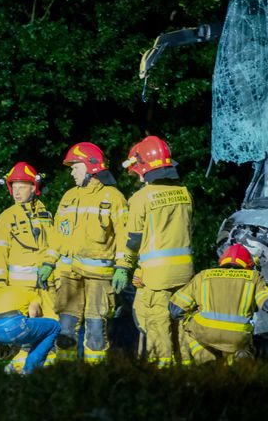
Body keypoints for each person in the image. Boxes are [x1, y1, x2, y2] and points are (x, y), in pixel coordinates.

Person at [38, 142, 131, 363]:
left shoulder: (114, 197)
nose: (71, 172)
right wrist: (48, 263)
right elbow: (58, 236)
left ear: (91, 167)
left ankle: (94, 379)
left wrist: (123, 267)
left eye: (75, 167)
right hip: (69, 274)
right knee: (66, 329)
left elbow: (124, 235)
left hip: (99, 276)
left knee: (96, 329)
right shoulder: (69, 197)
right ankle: (66, 374)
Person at [121, 135, 194, 367]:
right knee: (181, 321)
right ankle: (187, 371)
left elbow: (134, 240)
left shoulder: (140, 198)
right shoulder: (184, 193)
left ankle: (162, 373)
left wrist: (126, 266)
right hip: (185, 273)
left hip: (156, 276)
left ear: (142, 167)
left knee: (158, 324)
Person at [169, 243, 268, 363]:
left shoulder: (204, 276)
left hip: (205, 333)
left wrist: (194, 313)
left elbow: (175, 310)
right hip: (237, 337)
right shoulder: (254, 277)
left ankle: (206, 362)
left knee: (186, 325)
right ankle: (238, 365)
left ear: (222, 261)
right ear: (248, 264)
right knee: (241, 347)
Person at [0, 162, 56, 371]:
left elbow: (53, 246)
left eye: (21, 186)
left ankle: (49, 368)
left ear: (33, 187)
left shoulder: (45, 213)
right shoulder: (7, 217)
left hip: (46, 284)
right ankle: (19, 368)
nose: (16, 192)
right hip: (20, 288)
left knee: (53, 325)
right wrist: (0, 286)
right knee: (25, 331)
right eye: (14, 187)